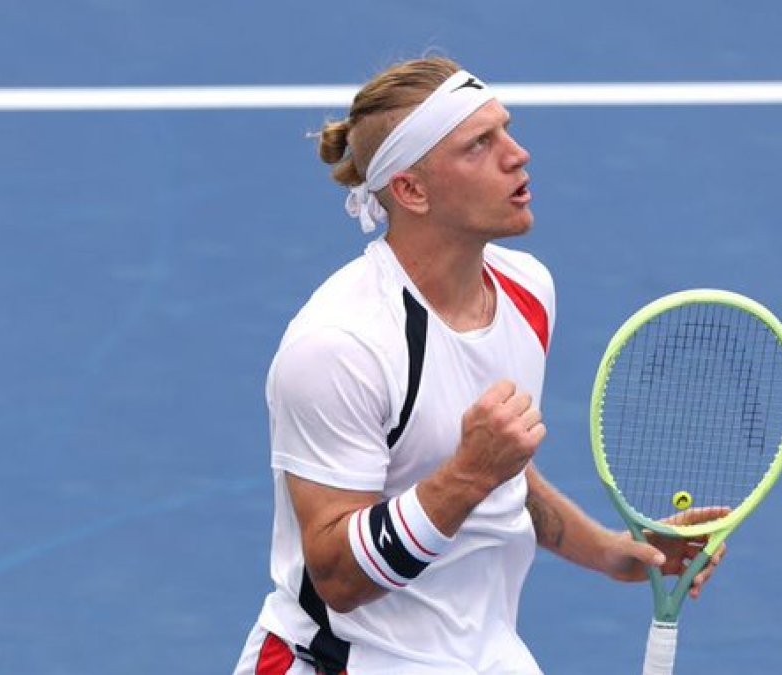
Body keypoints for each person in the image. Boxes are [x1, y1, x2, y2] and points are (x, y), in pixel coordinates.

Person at [234, 56, 728, 675]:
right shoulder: (340, 347)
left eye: (506, 131)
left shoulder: (527, 291)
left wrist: (612, 552)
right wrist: (469, 472)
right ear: (412, 191)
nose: (517, 155)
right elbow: (337, 577)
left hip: (485, 656)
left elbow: (503, 474)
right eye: (479, 144)